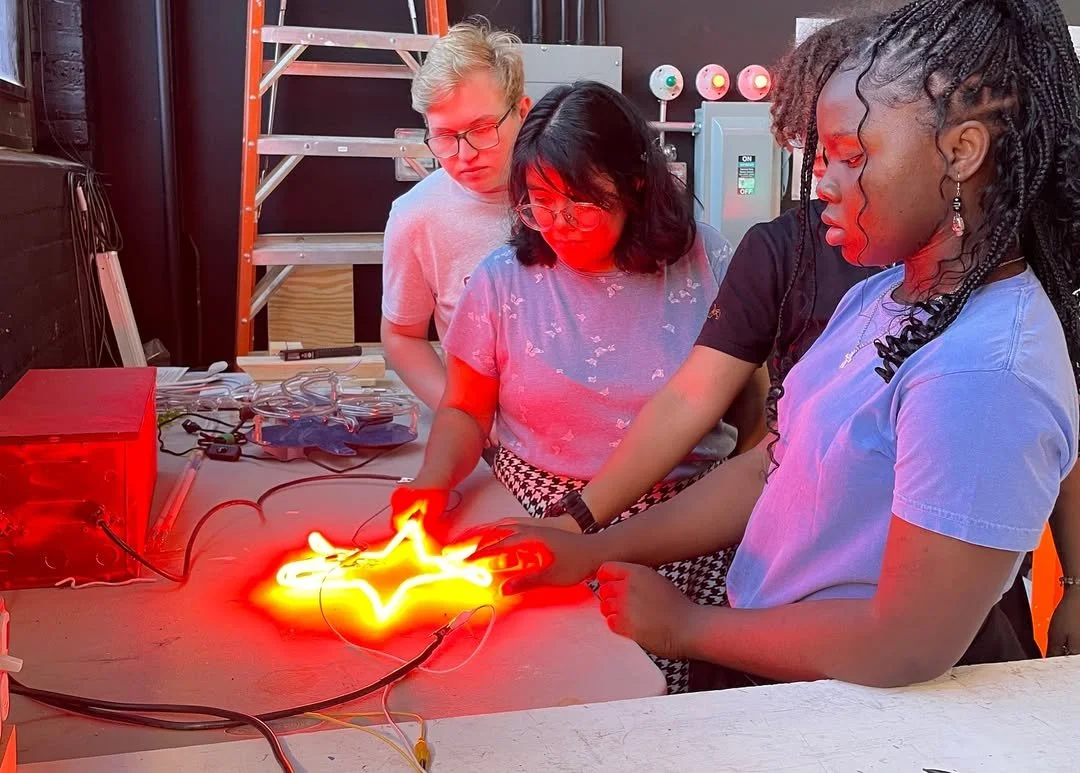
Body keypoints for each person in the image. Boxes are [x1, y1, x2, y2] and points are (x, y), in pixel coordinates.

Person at [462, 0, 1080, 689]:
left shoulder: (983, 370)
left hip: (840, 710)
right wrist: (594, 544)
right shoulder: (883, 297)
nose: (822, 178)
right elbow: (773, 467)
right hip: (765, 655)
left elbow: (905, 643)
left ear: (961, 152)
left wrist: (686, 626)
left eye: (851, 155)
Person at [394, 80, 747, 692]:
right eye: (537, 203)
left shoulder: (704, 262)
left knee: (667, 695)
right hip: (538, 506)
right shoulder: (503, 280)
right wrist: (432, 481)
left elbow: (744, 412)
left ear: (634, 183)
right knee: (542, 677)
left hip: (684, 520)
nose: (557, 225)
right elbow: (465, 411)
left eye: (580, 204)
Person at [381, 20, 531, 411]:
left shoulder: (573, 193)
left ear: (522, 111)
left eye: (482, 129)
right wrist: (463, 413)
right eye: (445, 137)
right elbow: (402, 336)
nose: (464, 156)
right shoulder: (416, 216)